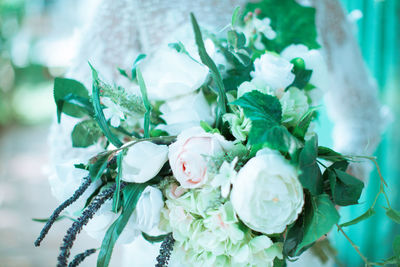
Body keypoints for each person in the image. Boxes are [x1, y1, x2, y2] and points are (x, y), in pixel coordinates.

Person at [49, 0, 386, 266]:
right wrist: (156, 203)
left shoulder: (313, 2)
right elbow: (69, 141)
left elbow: (363, 118)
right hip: (177, 246)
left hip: (283, 227)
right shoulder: (131, 4)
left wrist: (322, 199)